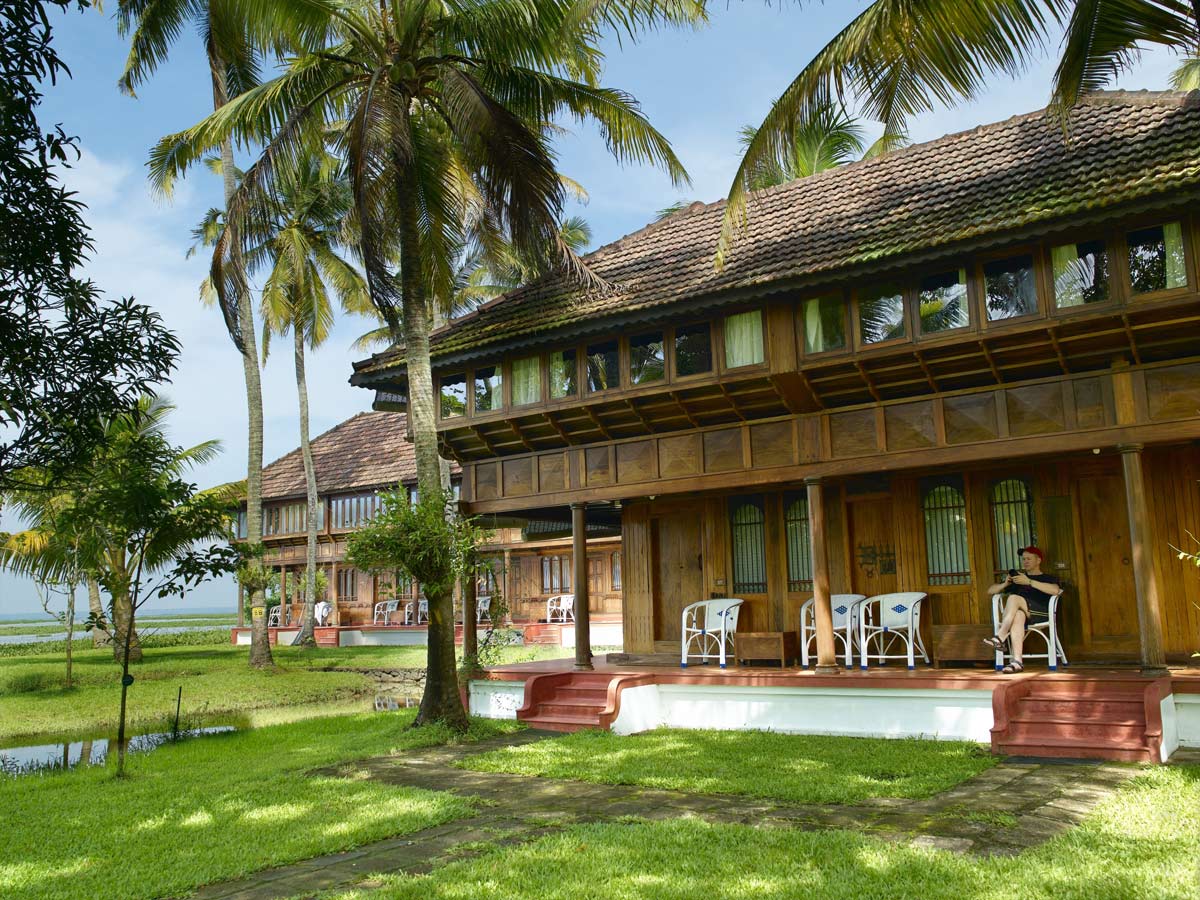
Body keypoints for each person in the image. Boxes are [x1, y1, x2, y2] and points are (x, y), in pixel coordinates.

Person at [983, 546, 1061, 674]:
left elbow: (1055, 590)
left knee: (1013, 598)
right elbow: (990, 591)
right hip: (1021, 614)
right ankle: (1017, 662)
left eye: (1029, 559)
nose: (1025, 561)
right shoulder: (1018, 579)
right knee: (1018, 615)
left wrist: (1029, 581)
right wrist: (1005, 584)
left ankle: (1001, 636)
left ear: (1038, 560)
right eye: (1023, 559)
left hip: (1039, 614)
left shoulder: (1047, 578)